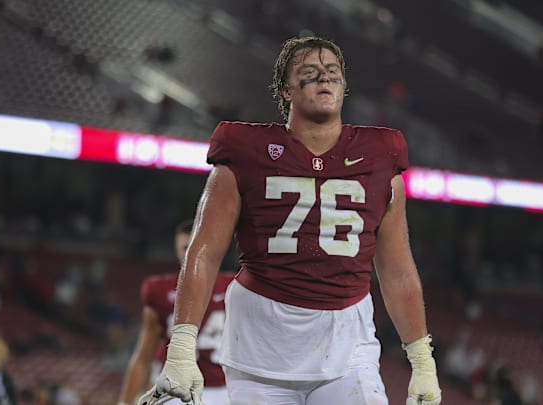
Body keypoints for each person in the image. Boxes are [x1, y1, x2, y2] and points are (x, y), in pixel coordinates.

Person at [141, 36, 441, 404]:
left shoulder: (380, 154)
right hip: (260, 344)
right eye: (310, 72)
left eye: (332, 72)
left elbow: (397, 268)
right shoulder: (244, 149)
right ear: (286, 90)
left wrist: (422, 359)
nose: (324, 78)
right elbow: (204, 250)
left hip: (347, 340)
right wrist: (182, 347)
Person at [120, 220, 235, 405]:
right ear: (176, 250)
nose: (192, 255)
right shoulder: (160, 290)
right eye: (186, 248)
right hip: (175, 388)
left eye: (198, 247)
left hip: (223, 388)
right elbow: (143, 357)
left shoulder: (234, 287)